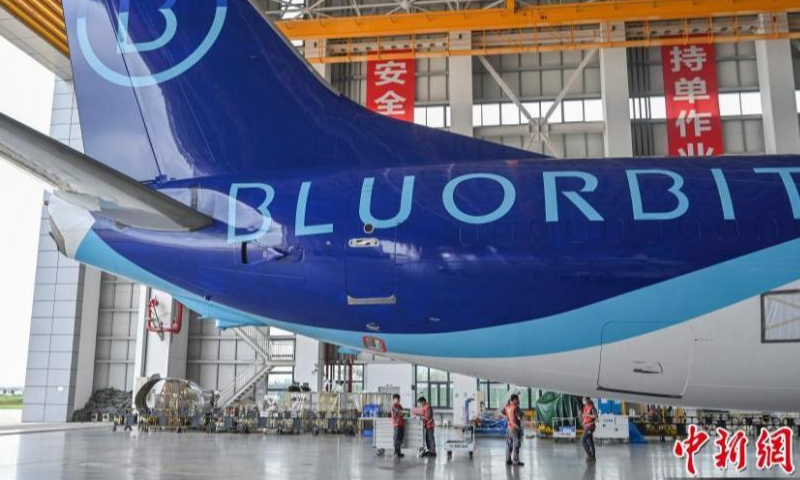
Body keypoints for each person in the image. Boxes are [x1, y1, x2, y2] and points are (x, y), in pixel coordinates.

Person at [504, 394, 524, 466]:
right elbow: (519, 418)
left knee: (509, 444)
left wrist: (509, 420)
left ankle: (508, 460)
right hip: (515, 429)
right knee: (516, 445)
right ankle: (516, 461)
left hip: (509, 428)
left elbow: (504, 415)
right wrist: (522, 414)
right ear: (515, 399)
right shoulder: (516, 407)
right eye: (517, 399)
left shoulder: (507, 407)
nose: (518, 400)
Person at [581, 397, 598, 462]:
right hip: (586, 426)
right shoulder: (585, 407)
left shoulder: (592, 408)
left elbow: (595, 416)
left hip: (590, 427)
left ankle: (590, 455)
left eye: (584, 400)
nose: (583, 401)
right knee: (590, 441)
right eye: (583, 400)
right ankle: (593, 456)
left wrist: (587, 415)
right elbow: (585, 416)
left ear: (588, 400)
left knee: (583, 440)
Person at [391, 394, 405, 458]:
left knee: (400, 438)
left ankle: (399, 452)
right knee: (396, 438)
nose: (398, 400)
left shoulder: (400, 406)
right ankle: (396, 452)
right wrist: (401, 413)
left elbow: (402, 414)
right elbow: (396, 414)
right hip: (397, 424)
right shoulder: (393, 406)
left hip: (401, 424)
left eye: (399, 399)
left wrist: (403, 413)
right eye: (397, 399)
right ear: (394, 400)